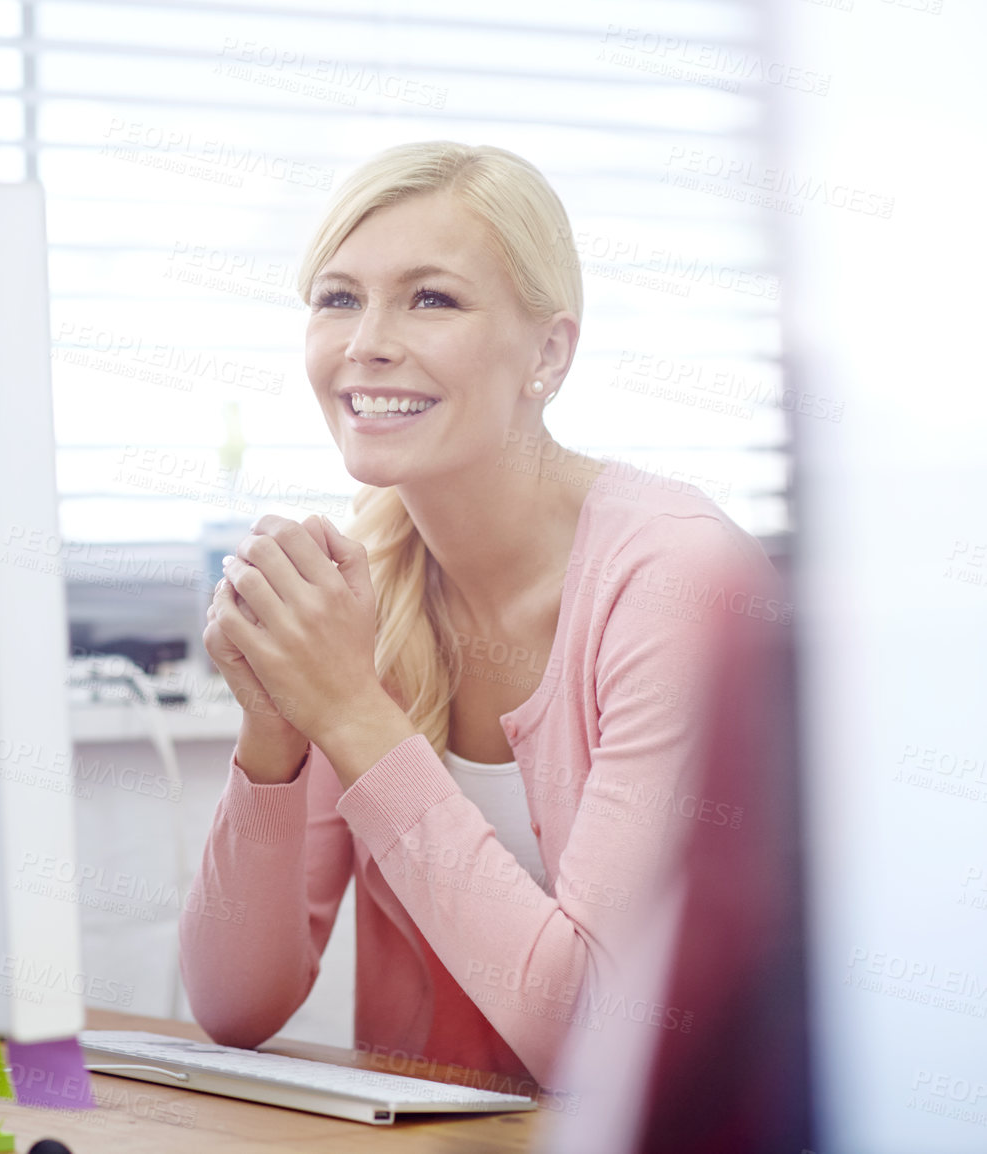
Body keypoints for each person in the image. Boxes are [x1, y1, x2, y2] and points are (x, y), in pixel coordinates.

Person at [179, 141, 782, 1085]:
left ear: (549, 351)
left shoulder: (676, 577)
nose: (366, 341)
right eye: (338, 297)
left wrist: (348, 712)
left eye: (432, 298)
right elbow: (234, 1006)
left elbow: (604, 1046)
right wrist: (274, 730)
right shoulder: (368, 584)